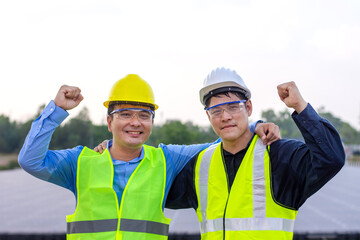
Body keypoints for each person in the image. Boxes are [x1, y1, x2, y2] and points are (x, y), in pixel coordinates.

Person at [18, 74, 279, 240]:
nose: (135, 122)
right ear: (109, 122)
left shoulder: (166, 160)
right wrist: (55, 111)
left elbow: (221, 141)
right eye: (125, 114)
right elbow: (30, 160)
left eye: (144, 115)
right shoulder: (81, 162)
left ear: (152, 122)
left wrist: (253, 125)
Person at [165, 67, 345, 240]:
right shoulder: (200, 165)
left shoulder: (279, 157)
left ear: (248, 108)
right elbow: (157, 191)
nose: (225, 116)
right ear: (208, 117)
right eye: (216, 111)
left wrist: (300, 106)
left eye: (233, 107)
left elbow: (331, 158)